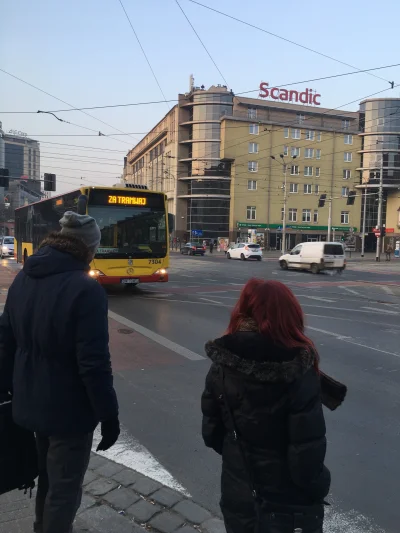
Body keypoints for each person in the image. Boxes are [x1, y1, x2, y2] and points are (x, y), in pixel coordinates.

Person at [0, 211, 120, 533]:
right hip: (69, 413)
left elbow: (4, 342)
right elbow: (94, 363)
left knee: (48, 480)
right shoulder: (86, 290)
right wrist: (109, 416)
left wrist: (6, 389)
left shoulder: (24, 278)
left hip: (30, 404)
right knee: (64, 491)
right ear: (88, 248)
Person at [202, 279, 332, 533]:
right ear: (290, 313)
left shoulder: (222, 362)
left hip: (239, 493)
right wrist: (321, 486)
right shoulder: (298, 367)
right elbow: (306, 456)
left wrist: (240, 459)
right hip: (287, 504)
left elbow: (211, 433)